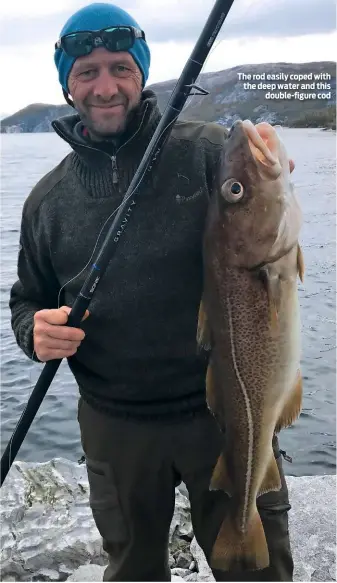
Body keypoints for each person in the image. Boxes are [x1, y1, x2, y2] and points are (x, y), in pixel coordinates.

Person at [9, 3, 295, 581]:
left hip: (222, 412)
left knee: (259, 573)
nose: (106, 86)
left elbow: (259, 207)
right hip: (116, 426)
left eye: (120, 67)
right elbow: (26, 298)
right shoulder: (47, 201)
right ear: (67, 85)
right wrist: (34, 331)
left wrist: (271, 169)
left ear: (142, 74)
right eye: (87, 72)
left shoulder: (207, 151)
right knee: (133, 569)